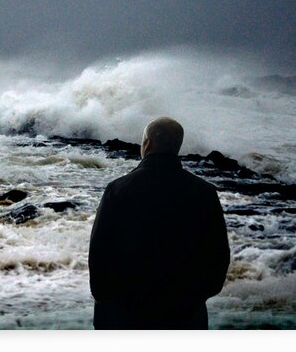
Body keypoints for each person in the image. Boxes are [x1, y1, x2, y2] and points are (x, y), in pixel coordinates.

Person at [88, 117, 230, 329]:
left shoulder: (118, 189)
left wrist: (104, 299)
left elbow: (99, 251)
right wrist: (196, 297)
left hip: (125, 310)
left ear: (147, 144)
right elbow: (218, 254)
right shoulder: (204, 192)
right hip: (184, 311)